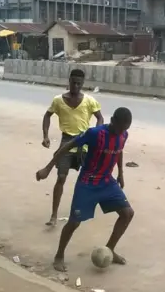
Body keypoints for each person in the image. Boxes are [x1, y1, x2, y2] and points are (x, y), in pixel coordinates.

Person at [35, 107, 134, 272]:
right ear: (113, 120)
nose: (121, 132)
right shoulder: (94, 133)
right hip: (87, 183)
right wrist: (47, 168)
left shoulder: (123, 135)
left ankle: (110, 249)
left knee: (128, 213)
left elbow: (119, 150)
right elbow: (66, 147)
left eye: (125, 129)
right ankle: (59, 255)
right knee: (74, 222)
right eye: (120, 128)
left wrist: (121, 174)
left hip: (107, 181)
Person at [41, 69, 104, 226]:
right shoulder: (58, 100)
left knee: (89, 179)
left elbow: (100, 117)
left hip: (85, 142)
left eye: (79, 83)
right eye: (73, 82)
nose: (75, 86)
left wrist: (96, 134)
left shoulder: (90, 101)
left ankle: (85, 210)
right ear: (68, 81)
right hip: (66, 142)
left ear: (82, 84)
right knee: (61, 178)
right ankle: (54, 215)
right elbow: (47, 115)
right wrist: (45, 136)